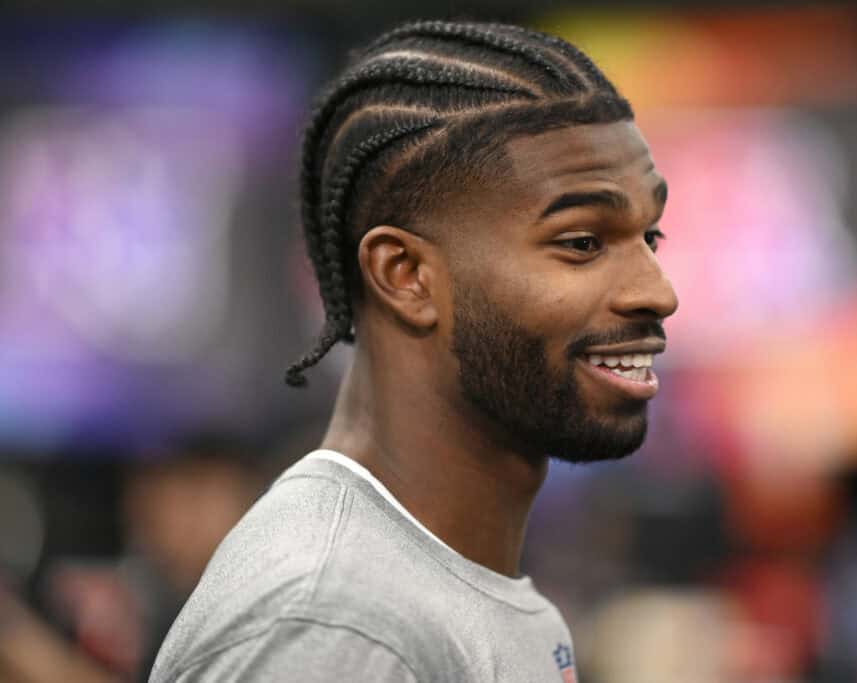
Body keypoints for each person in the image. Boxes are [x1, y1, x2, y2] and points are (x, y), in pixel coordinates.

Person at [150, 18, 676, 682]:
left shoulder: (432, 590)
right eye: (582, 242)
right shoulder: (333, 624)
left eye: (649, 238)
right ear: (405, 275)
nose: (659, 291)